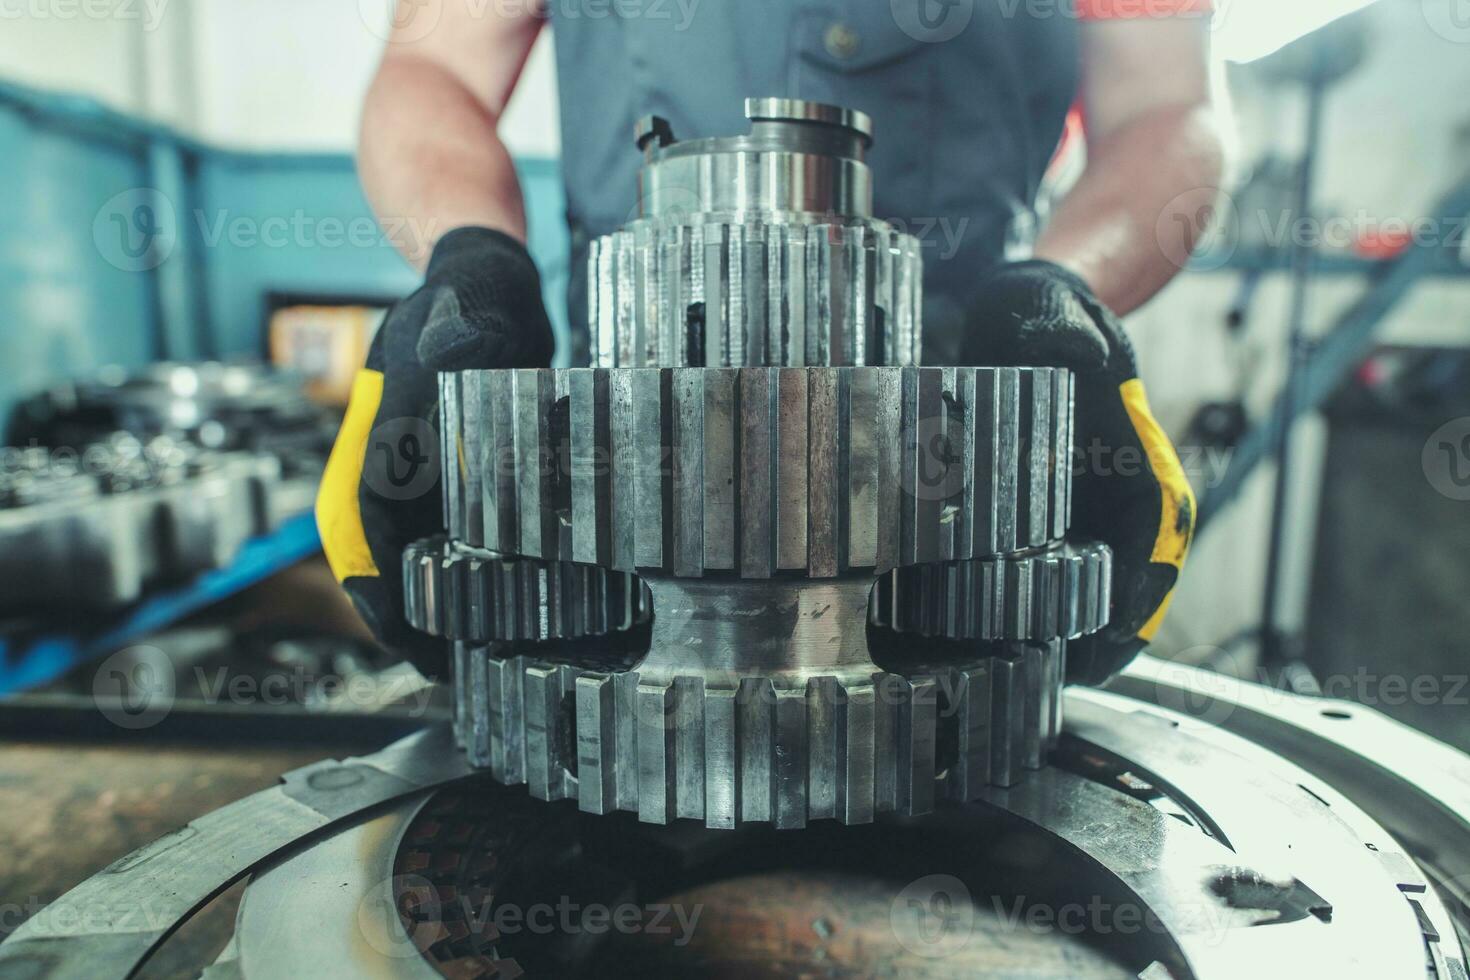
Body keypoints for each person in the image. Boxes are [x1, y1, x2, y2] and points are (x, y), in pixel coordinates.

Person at [318, 0, 1224, 686]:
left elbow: (1166, 105)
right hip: (613, 475)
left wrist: (1063, 299)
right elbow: (434, 70)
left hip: (957, 479)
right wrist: (473, 265)